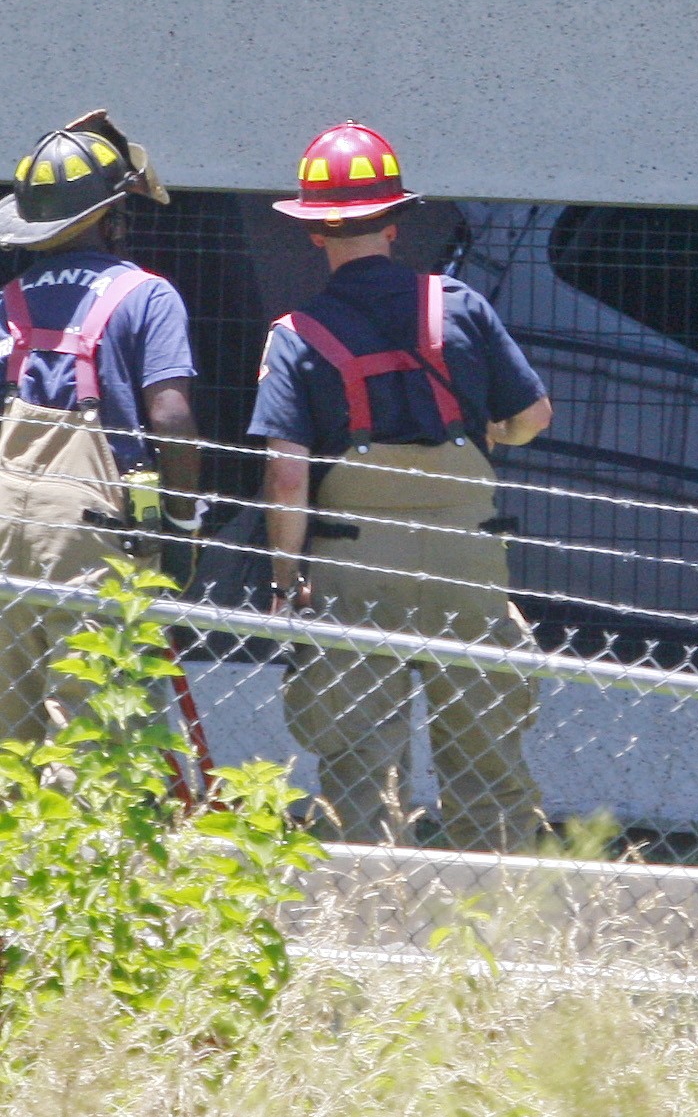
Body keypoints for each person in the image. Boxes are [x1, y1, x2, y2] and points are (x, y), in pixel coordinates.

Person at [250, 121, 553, 852]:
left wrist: (287, 580)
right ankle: (503, 918)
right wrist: (488, 438)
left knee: (360, 768)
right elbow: (534, 416)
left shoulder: (296, 334)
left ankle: (368, 919)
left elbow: (288, 475)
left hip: (356, 566)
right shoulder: (460, 306)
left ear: (315, 232)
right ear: (394, 221)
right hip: (467, 558)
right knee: (486, 757)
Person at [0, 110, 202, 755]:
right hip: (101, 534)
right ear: (113, 219)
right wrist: (182, 521)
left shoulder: (0, 305)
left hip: (6, 538)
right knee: (98, 735)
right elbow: (169, 418)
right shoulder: (147, 296)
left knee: (10, 739)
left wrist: (17, 502)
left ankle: (12, 853)